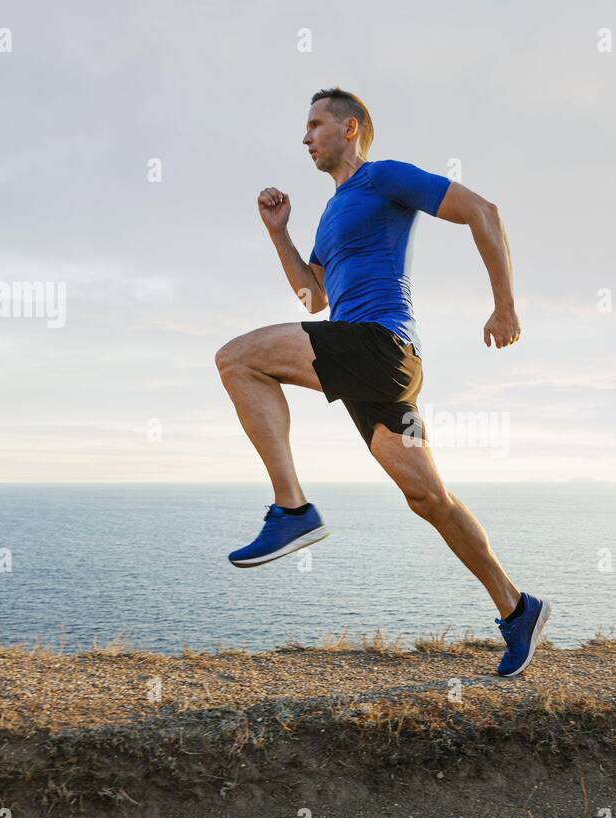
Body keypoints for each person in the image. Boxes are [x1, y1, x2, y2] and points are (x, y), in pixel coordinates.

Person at [215, 87, 549, 677]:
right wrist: (278, 232)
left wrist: (505, 306)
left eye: (316, 123)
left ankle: (292, 510)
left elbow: (483, 211)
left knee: (238, 359)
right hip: (367, 363)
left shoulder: (384, 177)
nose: (305, 136)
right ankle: (518, 608)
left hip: (382, 345)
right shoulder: (332, 213)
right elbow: (312, 297)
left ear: (350, 128)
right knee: (429, 499)